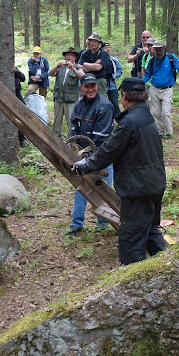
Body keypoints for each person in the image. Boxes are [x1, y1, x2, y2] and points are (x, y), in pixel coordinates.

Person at [71, 77, 167, 265]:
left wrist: (85, 166)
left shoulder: (129, 122)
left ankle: (135, 279)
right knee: (150, 229)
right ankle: (166, 266)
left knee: (131, 237)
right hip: (154, 183)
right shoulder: (145, 115)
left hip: (139, 189)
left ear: (123, 96)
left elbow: (108, 152)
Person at [66, 74, 115, 236]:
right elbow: (73, 124)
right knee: (81, 188)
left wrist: (88, 155)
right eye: (87, 86)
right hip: (83, 154)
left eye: (93, 85)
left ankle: (103, 223)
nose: (91, 89)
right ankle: (76, 224)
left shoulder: (105, 106)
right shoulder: (80, 105)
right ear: (81, 87)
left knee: (103, 189)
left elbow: (100, 137)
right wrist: (75, 146)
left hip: (102, 155)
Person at [142, 40, 179, 139]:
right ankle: (159, 132)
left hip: (167, 89)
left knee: (165, 111)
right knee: (155, 112)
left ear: (164, 49)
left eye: (160, 49)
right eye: (156, 50)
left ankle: (168, 132)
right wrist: (140, 83)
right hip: (154, 88)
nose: (158, 52)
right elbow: (147, 74)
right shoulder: (152, 60)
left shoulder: (171, 58)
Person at [48, 47, 85, 135]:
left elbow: (83, 77)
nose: (69, 57)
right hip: (59, 98)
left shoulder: (77, 68)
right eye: (67, 55)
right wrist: (57, 66)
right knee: (57, 120)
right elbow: (50, 73)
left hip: (71, 99)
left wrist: (73, 69)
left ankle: (71, 140)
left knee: (71, 121)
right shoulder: (60, 67)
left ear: (74, 58)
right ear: (65, 57)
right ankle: (55, 139)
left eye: (71, 55)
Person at [79, 32, 113, 97]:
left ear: (99, 43)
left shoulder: (103, 53)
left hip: (99, 80)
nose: (93, 43)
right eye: (91, 41)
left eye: (95, 41)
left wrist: (85, 64)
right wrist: (93, 65)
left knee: (101, 100)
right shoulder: (85, 53)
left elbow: (98, 68)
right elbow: (80, 67)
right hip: (87, 80)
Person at [103, 41, 124, 119]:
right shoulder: (99, 60)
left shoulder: (114, 60)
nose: (107, 49)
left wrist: (114, 76)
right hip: (102, 87)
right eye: (105, 47)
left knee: (115, 105)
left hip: (112, 86)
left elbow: (120, 70)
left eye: (108, 47)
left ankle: (120, 121)